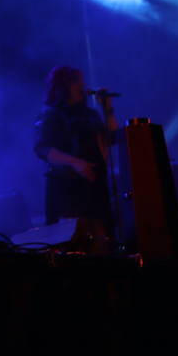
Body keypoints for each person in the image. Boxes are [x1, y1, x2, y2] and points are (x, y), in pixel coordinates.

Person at [33, 65, 116, 253]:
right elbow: (43, 149)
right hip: (67, 191)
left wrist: (108, 108)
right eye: (77, 81)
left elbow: (111, 139)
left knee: (103, 243)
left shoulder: (90, 114)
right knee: (72, 245)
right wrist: (75, 163)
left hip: (95, 189)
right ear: (64, 86)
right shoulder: (52, 114)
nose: (83, 85)